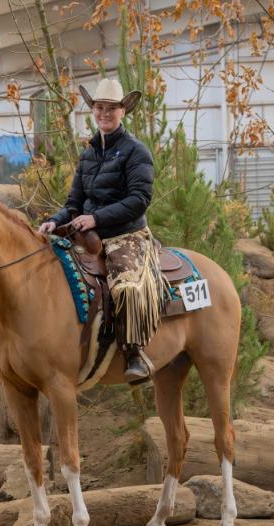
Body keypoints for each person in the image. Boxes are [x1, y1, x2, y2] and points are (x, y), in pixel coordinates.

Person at [38, 78, 169, 384]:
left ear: (123, 111)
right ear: (93, 110)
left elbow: (139, 200)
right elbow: (73, 203)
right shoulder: (88, 154)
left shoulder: (136, 151)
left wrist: (95, 218)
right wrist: (54, 221)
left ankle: (134, 352)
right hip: (87, 234)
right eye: (99, 107)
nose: (104, 113)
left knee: (125, 285)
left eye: (111, 108)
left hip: (126, 235)